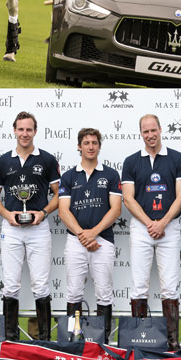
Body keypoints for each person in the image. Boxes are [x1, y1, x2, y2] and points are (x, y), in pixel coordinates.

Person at [0, 111, 61, 341]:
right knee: (10, 285)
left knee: (41, 285)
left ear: (35, 131)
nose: (24, 134)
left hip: (38, 229)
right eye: (20, 129)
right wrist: (7, 214)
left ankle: (43, 341)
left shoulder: (47, 160)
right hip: (11, 229)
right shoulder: (2, 161)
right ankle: (11, 340)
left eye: (28, 129)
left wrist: (43, 212)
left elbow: (59, 195)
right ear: (14, 130)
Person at [122, 114, 181, 351]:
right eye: (145, 131)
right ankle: (140, 340)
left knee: (169, 286)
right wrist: (151, 222)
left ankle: (172, 342)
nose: (150, 135)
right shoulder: (131, 161)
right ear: (140, 133)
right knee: (139, 285)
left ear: (161, 129)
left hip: (169, 227)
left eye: (153, 130)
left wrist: (162, 223)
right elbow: (128, 199)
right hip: (142, 228)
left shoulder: (177, 158)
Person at [57, 128, 121, 343]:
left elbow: (116, 209)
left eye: (94, 142)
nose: (91, 146)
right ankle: (72, 341)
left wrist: (93, 234)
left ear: (99, 146)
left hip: (103, 241)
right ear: (79, 146)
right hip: (75, 242)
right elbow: (63, 210)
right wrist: (83, 236)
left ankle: (102, 343)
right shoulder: (68, 176)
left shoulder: (111, 175)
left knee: (104, 293)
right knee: (74, 293)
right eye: (86, 143)